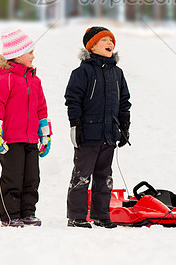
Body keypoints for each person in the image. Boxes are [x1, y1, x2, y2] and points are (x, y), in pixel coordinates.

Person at [64, 26, 131, 228]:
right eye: (104, 40)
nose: (110, 44)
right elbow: (72, 99)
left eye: (112, 41)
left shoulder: (117, 73)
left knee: (105, 177)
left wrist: (124, 125)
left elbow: (124, 101)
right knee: (81, 176)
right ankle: (76, 216)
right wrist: (75, 124)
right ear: (91, 46)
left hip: (109, 134)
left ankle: (101, 215)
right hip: (88, 133)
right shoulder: (82, 72)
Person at [0, 28, 51, 227]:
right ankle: (10, 214)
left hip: (31, 138)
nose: (33, 56)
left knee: (32, 178)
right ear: (16, 55)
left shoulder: (34, 81)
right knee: (12, 177)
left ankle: (27, 212)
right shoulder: (3, 80)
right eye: (30, 52)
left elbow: (42, 109)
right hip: (11, 140)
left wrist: (45, 135)